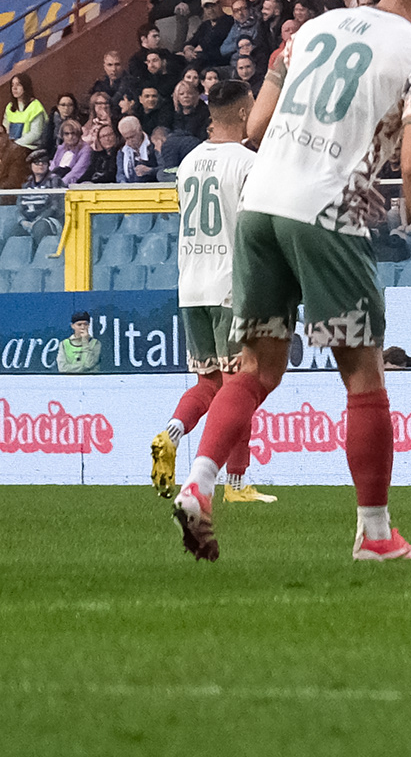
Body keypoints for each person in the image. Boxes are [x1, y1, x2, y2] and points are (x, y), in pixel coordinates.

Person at [170, 0, 411, 564]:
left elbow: (255, 125)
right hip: (326, 212)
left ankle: (199, 482)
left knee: (256, 369)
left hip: (259, 205)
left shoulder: (312, 31)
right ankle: (375, 534)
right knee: (363, 374)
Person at [151, 92, 274, 510]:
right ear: (242, 112)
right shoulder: (248, 163)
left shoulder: (188, 163)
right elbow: (258, 228)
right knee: (242, 385)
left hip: (191, 285)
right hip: (230, 285)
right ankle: (237, 482)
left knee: (209, 383)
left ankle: (172, 431)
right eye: (253, 105)